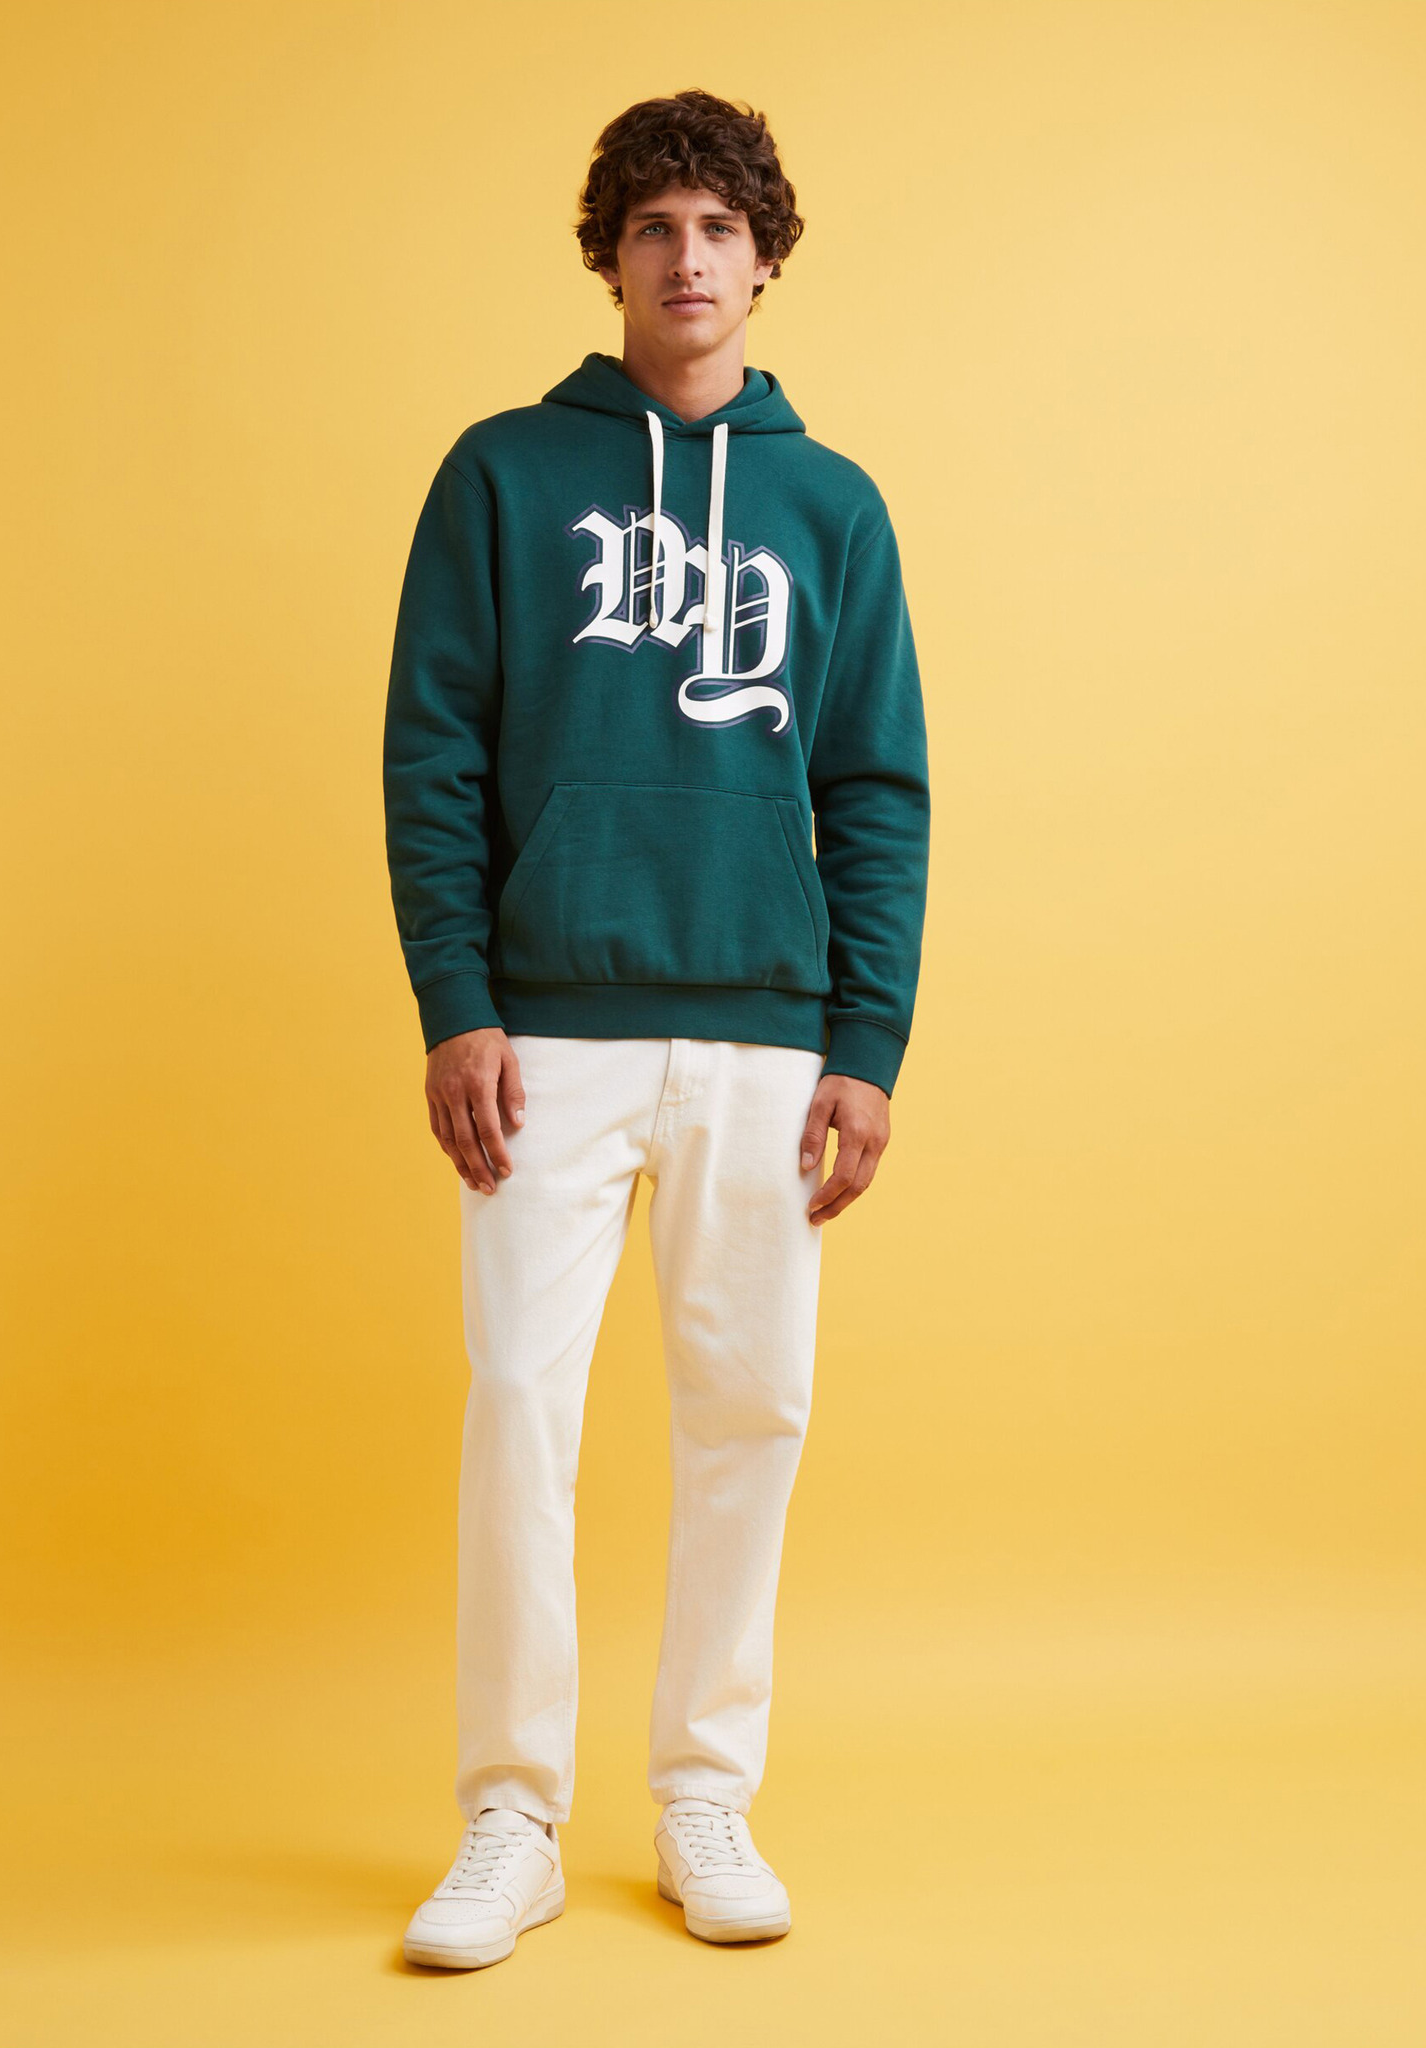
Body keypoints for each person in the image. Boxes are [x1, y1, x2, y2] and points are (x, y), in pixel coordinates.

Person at [383, 88, 931, 1970]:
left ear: (765, 261)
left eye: (717, 227)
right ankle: (509, 1818)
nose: (686, 258)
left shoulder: (831, 506)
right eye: (652, 227)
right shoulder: (502, 476)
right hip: (547, 1032)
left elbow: (875, 786)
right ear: (609, 257)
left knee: (748, 1414)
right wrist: (458, 1000)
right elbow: (434, 754)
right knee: (520, 1410)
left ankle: (705, 1789)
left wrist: (866, 1042)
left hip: (766, 1034)